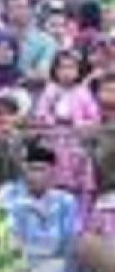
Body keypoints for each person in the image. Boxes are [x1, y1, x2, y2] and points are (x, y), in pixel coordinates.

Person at [0, 143, 79, 272]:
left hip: (52, 263)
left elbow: (69, 241)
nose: (34, 175)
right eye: (30, 169)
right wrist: (27, 205)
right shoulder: (8, 193)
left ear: (53, 172)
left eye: (40, 170)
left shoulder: (66, 201)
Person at [33, 49, 99, 213]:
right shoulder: (50, 91)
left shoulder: (83, 92)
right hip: (53, 144)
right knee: (52, 185)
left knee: (80, 187)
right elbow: (40, 114)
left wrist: (77, 123)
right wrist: (53, 120)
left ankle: (79, 221)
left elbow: (94, 118)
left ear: (78, 70)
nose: (66, 72)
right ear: (55, 70)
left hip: (77, 146)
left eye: (71, 67)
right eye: (62, 67)